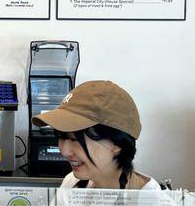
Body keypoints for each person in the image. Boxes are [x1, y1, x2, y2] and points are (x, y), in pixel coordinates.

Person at [32, 80, 160, 190]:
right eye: (61, 136)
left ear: (117, 144)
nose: (64, 151)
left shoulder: (152, 201)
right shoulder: (72, 183)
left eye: (74, 139)